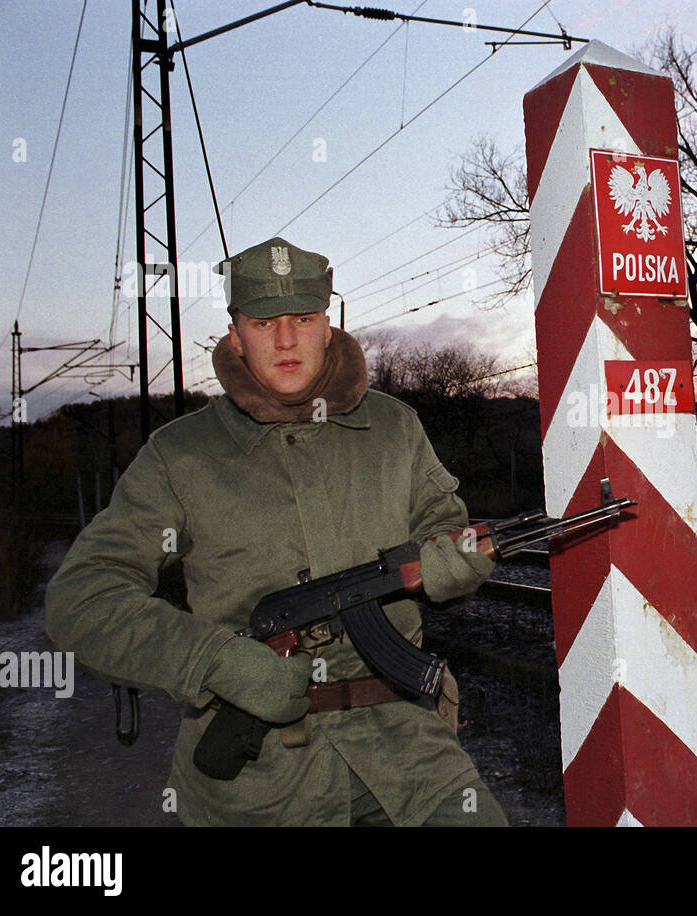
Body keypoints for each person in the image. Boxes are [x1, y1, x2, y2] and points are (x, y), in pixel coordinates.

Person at [46, 238, 507, 826]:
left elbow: (444, 528)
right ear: (236, 334)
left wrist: (450, 563)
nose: (287, 341)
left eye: (304, 319)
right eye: (265, 323)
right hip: (257, 784)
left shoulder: (394, 427)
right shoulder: (181, 454)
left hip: (409, 754)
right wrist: (214, 662)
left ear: (328, 325)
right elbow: (82, 598)